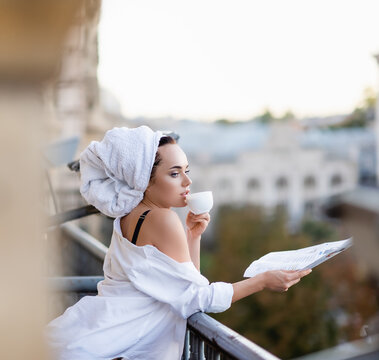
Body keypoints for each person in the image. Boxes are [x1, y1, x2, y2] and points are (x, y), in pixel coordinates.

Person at [45, 126, 311, 360]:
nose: (188, 182)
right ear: (144, 182)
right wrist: (262, 281)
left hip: (91, 334)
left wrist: (192, 236)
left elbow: (186, 286)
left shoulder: (127, 214)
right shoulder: (163, 219)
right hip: (101, 347)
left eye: (186, 171)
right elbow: (198, 298)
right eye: (174, 174)